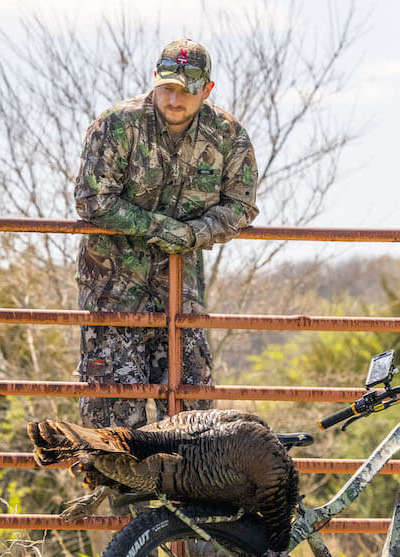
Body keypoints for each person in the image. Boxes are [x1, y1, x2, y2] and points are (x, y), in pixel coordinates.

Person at [74, 40, 259, 429]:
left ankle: (182, 492)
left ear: (207, 90)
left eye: (186, 90)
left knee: (191, 414)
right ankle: (124, 492)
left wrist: (194, 233)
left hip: (180, 291)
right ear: (155, 80)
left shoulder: (227, 136)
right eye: (167, 87)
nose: (174, 99)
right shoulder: (117, 125)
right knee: (113, 416)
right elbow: (92, 199)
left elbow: (241, 206)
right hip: (113, 292)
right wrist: (160, 228)